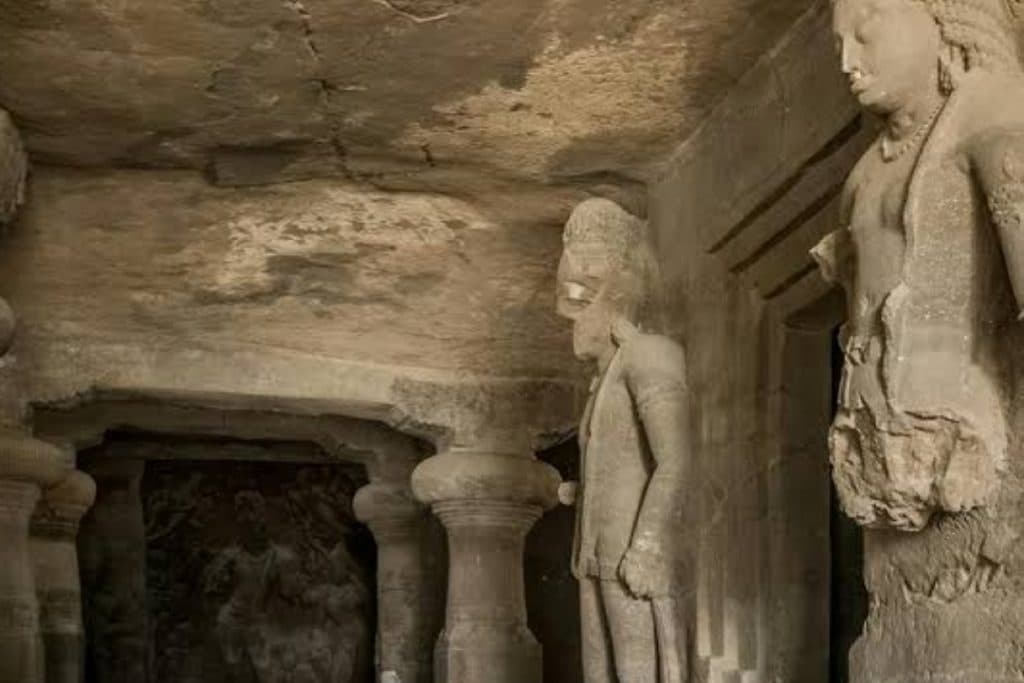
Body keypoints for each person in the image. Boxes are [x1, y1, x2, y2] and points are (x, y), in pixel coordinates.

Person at [813, 0, 1024, 529]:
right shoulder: (865, 173)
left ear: (939, 16)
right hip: (870, 434)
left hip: (958, 430)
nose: (847, 63)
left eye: (864, 34)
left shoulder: (988, 110)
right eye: (838, 47)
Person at [556, 198, 690, 682]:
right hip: (594, 550)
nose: (571, 314)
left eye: (581, 297)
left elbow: (675, 461)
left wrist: (647, 546)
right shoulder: (604, 379)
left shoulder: (649, 355)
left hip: (626, 549)